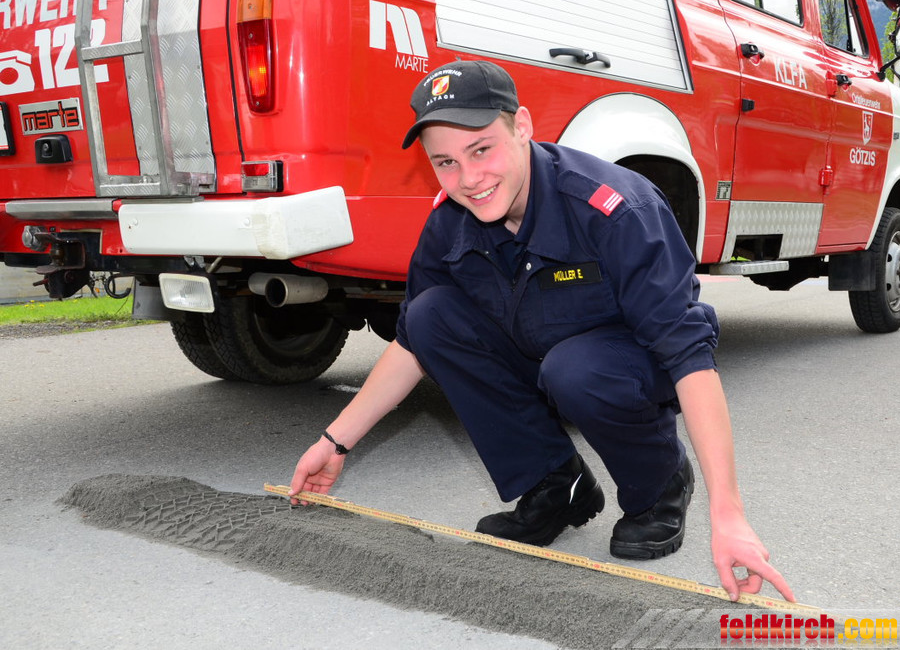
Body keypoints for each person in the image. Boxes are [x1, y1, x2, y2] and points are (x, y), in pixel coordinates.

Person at [288, 60, 794, 603]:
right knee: (430, 314)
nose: (469, 179)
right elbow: (412, 344)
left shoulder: (615, 209)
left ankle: (660, 483)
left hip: (624, 368)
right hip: (540, 354)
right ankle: (557, 484)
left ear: (522, 127)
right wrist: (334, 441)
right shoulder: (449, 223)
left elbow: (689, 358)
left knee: (576, 370)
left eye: (481, 149)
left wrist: (729, 514)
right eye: (446, 162)